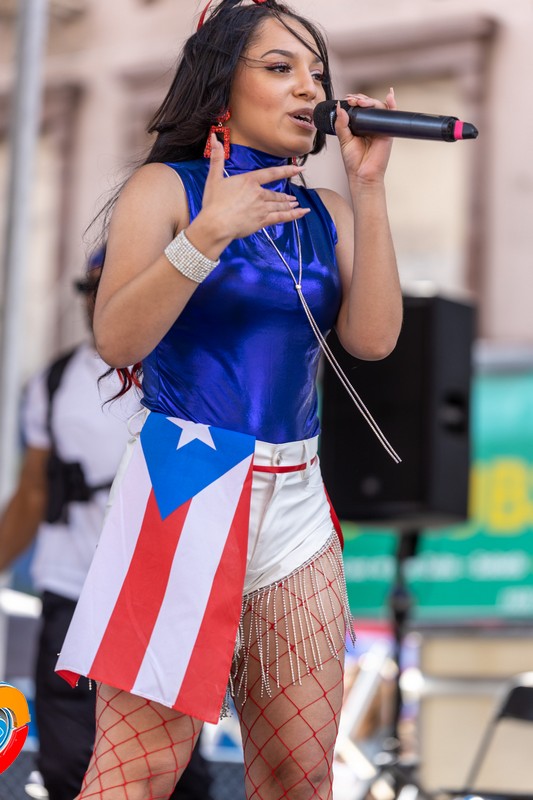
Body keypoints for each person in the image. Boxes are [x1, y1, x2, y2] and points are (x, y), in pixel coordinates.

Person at [56, 1, 403, 798]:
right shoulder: (164, 188)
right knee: (141, 770)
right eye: (279, 69)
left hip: (295, 495)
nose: (307, 89)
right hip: (187, 483)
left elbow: (374, 339)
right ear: (221, 87)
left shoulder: (326, 212)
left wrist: (367, 186)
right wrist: (208, 233)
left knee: (298, 773)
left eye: (316, 73)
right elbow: (118, 340)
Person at [0, 254, 214, 800]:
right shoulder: (53, 382)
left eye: (112, 283)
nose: (96, 298)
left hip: (158, 598)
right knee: (68, 762)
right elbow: (32, 492)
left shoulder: (188, 372)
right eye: (88, 287)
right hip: (71, 591)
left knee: (170, 767)